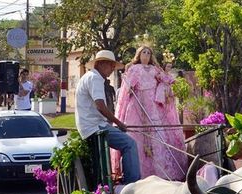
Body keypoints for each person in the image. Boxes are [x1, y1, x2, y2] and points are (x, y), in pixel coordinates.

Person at [113, 45, 187, 181]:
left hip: (153, 108)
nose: (146, 55)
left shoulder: (154, 70)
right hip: (138, 107)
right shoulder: (134, 69)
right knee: (137, 137)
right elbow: (128, 87)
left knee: (157, 138)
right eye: (143, 52)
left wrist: (169, 78)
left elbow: (166, 79)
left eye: (148, 53)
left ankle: (160, 172)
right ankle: (138, 173)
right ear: (139, 55)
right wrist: (129, 84)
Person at [75, 49, 140, 184]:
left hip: (90, 126)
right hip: (95, 127)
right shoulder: (95, 78)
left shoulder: (90, 77)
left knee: (126, 144)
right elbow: (100, 105)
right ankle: (131, 184)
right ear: (101, 64)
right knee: (130, 144)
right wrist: (118, 123)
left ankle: (123, 178)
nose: (112, 69)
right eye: (111, 65)